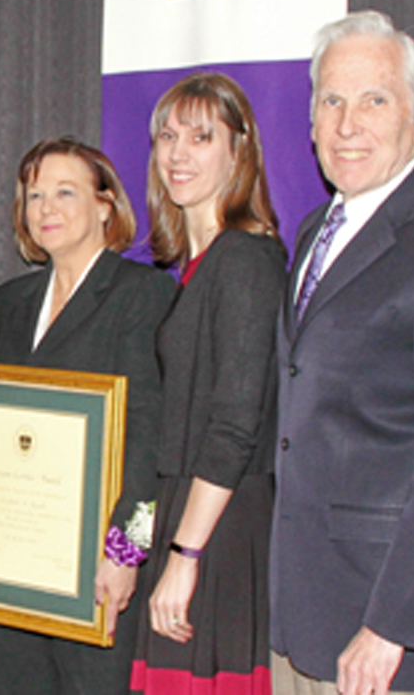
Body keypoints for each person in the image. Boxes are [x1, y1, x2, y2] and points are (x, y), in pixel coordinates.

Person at [0, 139, 173, 694]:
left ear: (105, 205)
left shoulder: (143, 296)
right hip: (6, 558)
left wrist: (128, 548)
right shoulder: (8, 303)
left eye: (64, 192)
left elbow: (150, 441)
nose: (46, 208)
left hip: (95, 568)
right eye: (34, 196)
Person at [271, 11, 414, 695]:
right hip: (302, 619)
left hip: (381, 641)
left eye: (373, 100)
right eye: (331, 101)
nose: (347, 124)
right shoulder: (312, 232)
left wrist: (393, 626)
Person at [130, 73, 285, 694]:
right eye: (167, 136)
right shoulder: (198, 267)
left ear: (238, 151)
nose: (178, 153)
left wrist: (185, 556)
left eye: (200, 136)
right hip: (187, 520)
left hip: (217, 534)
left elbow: (234, 424)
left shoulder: (245, 259)